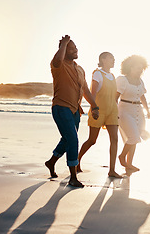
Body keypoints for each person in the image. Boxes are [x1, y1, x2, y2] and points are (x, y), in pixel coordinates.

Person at [45, 35, 99, 187]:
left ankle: (51, 162)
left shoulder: (80, 69)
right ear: (64, 50)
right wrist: (64, 44)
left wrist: (94, 106)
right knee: (73, 140)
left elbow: (86, 90)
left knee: (67, 139)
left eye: (76, 47)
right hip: (61, 108)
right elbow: (57, 60)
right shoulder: (58, 65)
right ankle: (73, 177)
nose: (75, 50)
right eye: (71, 48)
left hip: (75, 111)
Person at [77, 52, 122, 178]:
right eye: (111, 58)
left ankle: (112, 170)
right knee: (92, 140)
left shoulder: (113, 76)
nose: (113, 60)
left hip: (112, 111)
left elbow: (114, 97)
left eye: (114, 58)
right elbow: (93, 93)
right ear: (103, 59)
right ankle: (77, 161)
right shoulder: (97, 73)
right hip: (98, 110)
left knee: (115, 139)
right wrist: (94, 108)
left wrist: (116, 110)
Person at [116, 55, 150, 172]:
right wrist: (114, 112)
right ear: (130, 68)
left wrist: (148, 111)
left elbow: (143, 97)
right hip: (125, 110)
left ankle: (129, 164)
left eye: (142, 68)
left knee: (136, 136)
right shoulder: (122, 80)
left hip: (138, 110)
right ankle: (122, 156)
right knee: (134, 137)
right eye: (137, 68)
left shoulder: (140, 81)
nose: (140, 71)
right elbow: (115, 98)